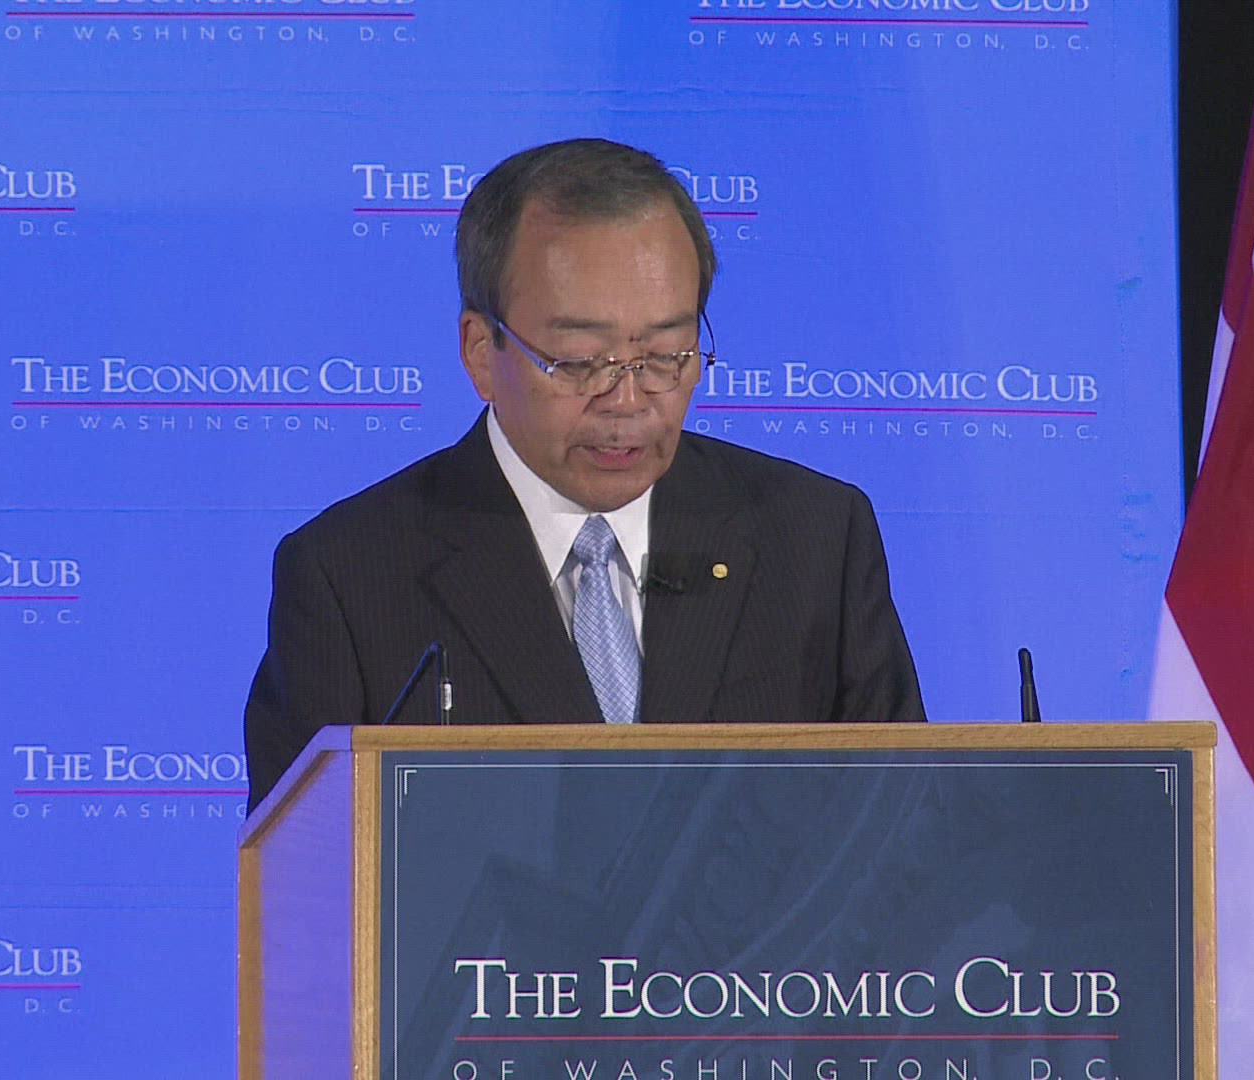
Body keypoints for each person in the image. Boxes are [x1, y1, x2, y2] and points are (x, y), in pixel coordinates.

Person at [243, 138, 924, 808]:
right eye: (577, 362)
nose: (626, 400)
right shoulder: (349, 577)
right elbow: (303, 869)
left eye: (666, 355)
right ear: (480, 352)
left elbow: (906, 831)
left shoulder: (812, 538)